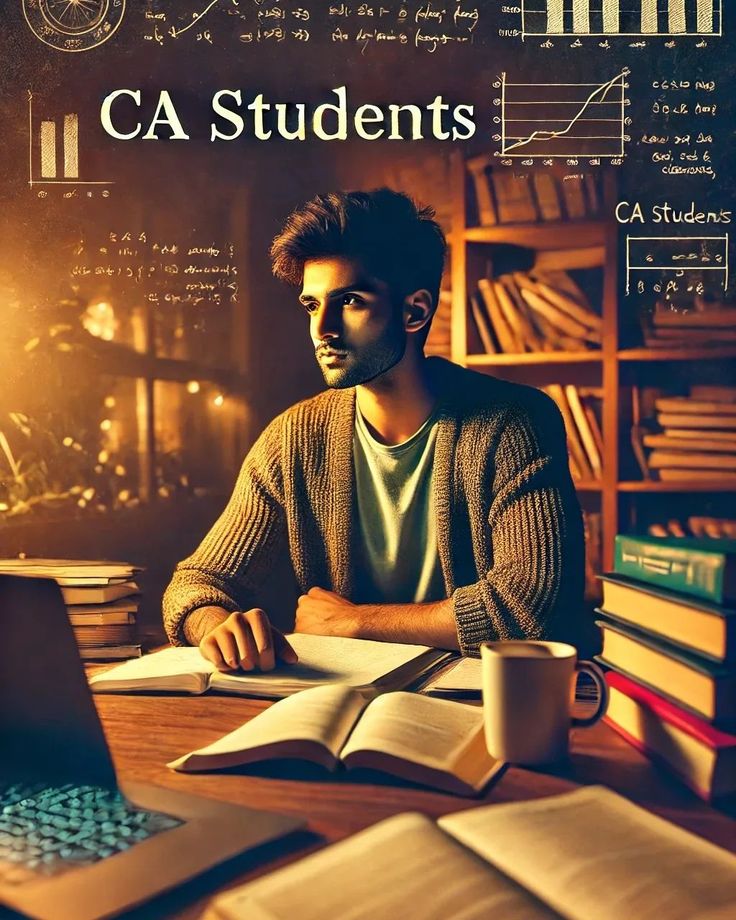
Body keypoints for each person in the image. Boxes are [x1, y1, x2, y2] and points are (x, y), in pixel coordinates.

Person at [162, 188, 587, 672]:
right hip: (337, 698)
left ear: (415, 311)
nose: (322, 328)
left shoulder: (512, 424)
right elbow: (197, 583)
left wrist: (356, 622)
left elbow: (530, 606)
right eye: (311, 305)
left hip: (485, 706)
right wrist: (216, 623)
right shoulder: (293, 438)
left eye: (350, 301)